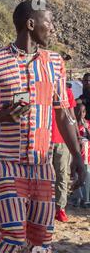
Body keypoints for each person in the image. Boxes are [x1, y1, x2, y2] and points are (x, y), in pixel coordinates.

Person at [0, 0, 85, 253]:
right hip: (6, 164)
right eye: (49, 22)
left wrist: (79, 160)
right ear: (30, 24)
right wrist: (0, 116)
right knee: (13, 234)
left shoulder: (55, 63)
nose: (54, 29)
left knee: (42, 238)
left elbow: (64, 115)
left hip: (42, 166)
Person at [52, 83, 77, 222]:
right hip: (45, 139)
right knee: (46, 175)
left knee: (62, 175)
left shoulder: (67, 91)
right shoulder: (42, 89)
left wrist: (76, 138)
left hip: (62, 139)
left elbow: (71, 117)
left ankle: (60, 208)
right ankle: (47, 207)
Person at [72, 102, 90, 208]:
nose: (81, 113)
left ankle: (86, 199)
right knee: (75, 176)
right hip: (75, 154)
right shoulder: (72, 124)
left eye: (83, 111)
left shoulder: (88, 123)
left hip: (86, 154)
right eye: (78, 111)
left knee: (87, 176)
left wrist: (86, 128)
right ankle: (77, 198)